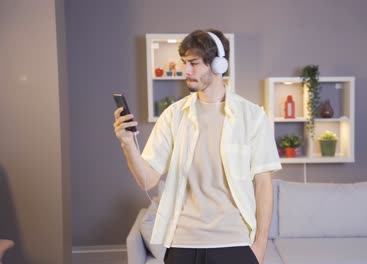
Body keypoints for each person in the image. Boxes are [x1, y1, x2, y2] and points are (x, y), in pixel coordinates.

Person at [113, 29, 281, 264]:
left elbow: (263, 184)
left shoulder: (252, 117)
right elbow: (147, 180)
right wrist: (128, 144)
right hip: (182, 243)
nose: (186, 71)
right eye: (184, 63)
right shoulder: (173, 116)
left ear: (218, 64)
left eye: (193, 63)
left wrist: (260, 244)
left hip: (234, 242)